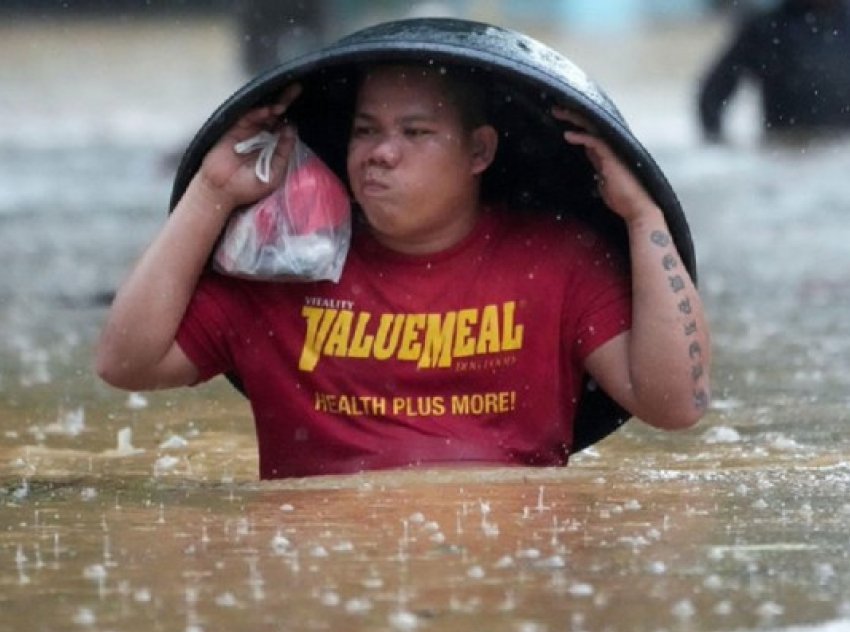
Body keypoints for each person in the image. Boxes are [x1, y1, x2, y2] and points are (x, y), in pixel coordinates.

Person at [96, 63, 711, 479]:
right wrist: (210, 191)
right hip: (322, 576)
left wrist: (641, 212)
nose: (380, 152)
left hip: (503, 573)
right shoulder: (284, 269)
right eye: (366, 130)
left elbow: (677, 404)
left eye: (414, 132)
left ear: (479, 152)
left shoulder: (557, 260)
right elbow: (126, 363)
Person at [698, 0, 850, 141]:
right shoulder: (766, 28)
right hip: (787, 154)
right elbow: (712, 95)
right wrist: (718, 148)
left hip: (841, 155)